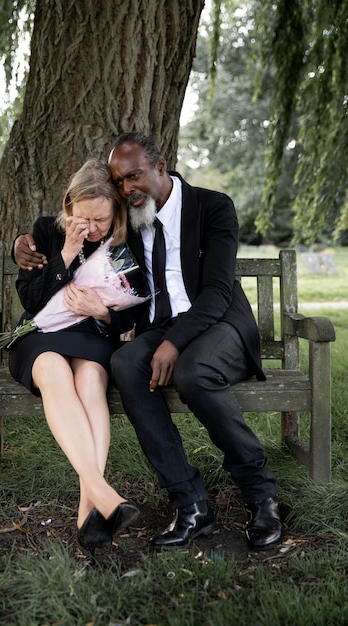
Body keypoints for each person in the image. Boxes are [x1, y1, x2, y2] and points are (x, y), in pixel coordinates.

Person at [14, 134, 283, 552]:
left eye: (134, 176)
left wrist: (173, 344)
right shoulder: (132, 216)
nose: (127, 188)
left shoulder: (212, 207)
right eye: (120, 181)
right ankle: (191, 505)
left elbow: (215, 292)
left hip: (219, 320)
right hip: (161, 327)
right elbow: (78, 238)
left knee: (195, 373)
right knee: (125, 364)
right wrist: (22, 246)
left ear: (161, 167)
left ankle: (261, 494)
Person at [8, 159, 140, 556]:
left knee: (89, 381)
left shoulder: (124, 243)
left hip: (92, 337)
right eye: (83, 219)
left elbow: (136, 310)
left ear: (116, 210)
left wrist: (103, 313)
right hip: (39, 336)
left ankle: (90, 508)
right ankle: (102, 495)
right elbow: (32, 302)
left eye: (100, 219)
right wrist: (65, 254)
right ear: (68, 208)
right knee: (51, 368)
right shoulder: (47, 232)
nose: (92, 229)